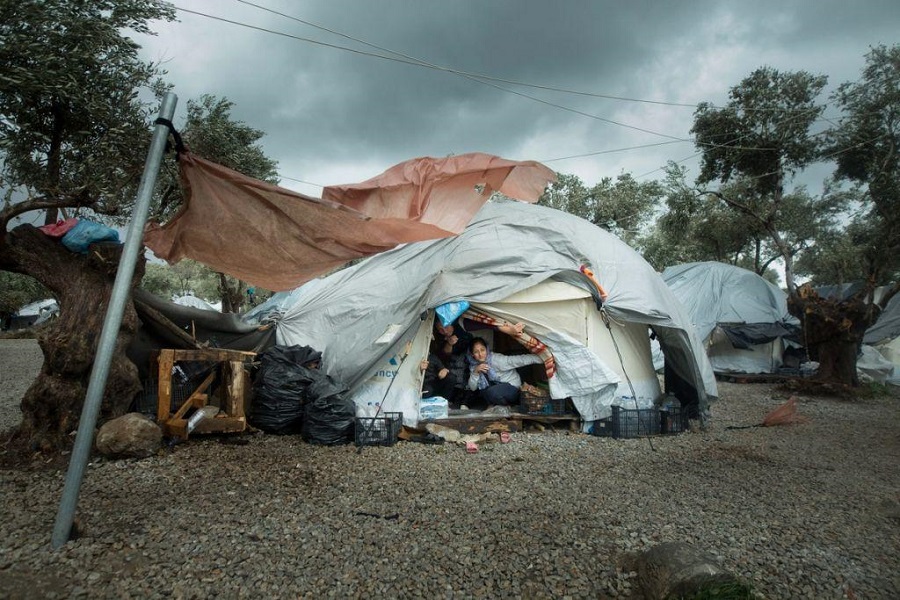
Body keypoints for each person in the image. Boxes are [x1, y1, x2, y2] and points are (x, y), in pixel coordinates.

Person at [465, 337, 542, 406]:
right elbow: (473, 388)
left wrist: (543, 358)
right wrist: (475, 372)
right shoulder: (474, 366)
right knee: (483, 391)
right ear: (472, 355)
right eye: (476, 352)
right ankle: (496, 405)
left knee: (491, 392)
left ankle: (509, 406)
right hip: (497, 388)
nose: (480, 354)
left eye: (482, 350)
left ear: (487, 349)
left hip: (512, 388)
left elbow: (519, 360)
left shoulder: (496, 360)